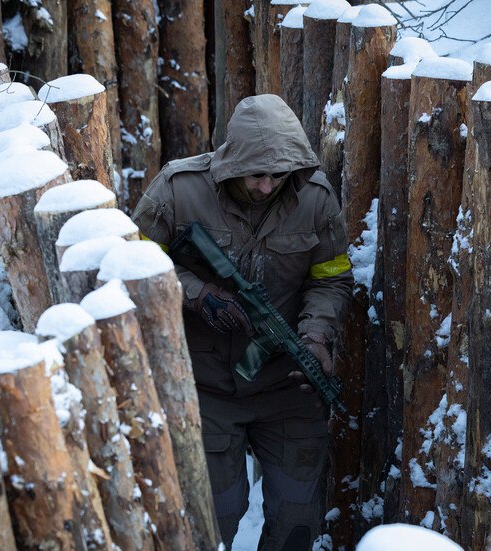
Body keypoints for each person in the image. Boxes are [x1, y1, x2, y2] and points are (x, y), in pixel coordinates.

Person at [131, 94, 352, 550]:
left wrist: (315, 336)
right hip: (204, 389)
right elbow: (131, 260)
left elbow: (331, 278)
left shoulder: (315, 198)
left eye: (278, 174)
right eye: (256, 174)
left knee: (297, 524)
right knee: (212, 519)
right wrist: (196, 294)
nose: (268, 186)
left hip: (288, 390)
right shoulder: (179, 189)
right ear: (232, 162)